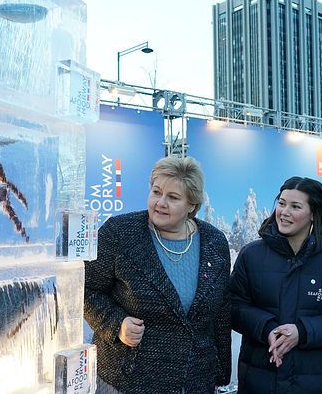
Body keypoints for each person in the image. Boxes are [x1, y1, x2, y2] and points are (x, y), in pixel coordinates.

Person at [84, 156, 231, 394]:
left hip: (195, 380)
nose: (160, 202)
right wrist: (117, 323)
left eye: (173, 197)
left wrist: (221, 371)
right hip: (128, 380)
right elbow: (86, 288)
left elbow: (221, 311)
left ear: (192, 205)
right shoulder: (120, 233)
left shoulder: (214, 242)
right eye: (156, 192)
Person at [230, 176, 322, 394]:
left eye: (295, 206)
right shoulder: (251, 255)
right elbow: (234, 308)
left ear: (314, 213)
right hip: (259, 379)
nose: (284, 212)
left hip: (318, 383)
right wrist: (267, 328)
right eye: (281, 204)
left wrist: (303, 331)